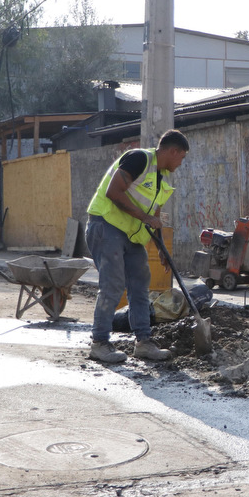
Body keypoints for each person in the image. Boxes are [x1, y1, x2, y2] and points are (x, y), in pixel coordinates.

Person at [85, 129, 189, 363]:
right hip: (106, 225)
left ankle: (143, 342)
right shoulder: (139, 158)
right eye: (181, 157)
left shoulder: (161, 179)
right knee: (113, 285)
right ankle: (99, 343)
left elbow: (156, 216)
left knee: (140, 286)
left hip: (131, 236)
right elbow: (113, 192)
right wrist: (144, 218)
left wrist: (161, 248)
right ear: (173, 151)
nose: (181, 163)